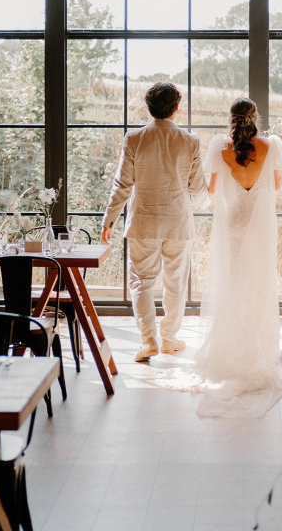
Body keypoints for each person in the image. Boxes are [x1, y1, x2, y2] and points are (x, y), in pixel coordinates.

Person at [160, 97, 282, 419]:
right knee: (257, 284)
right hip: (259, 227)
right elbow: (277, 185)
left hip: (233, 224)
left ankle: (232, 347)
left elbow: (213, 191)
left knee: (233, 287)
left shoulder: (220, 148)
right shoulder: (271, 146)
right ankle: (255, 349)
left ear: (231, 120)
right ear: (255, 118)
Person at [101, 82, 209, 362]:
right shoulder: (191, 141)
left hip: (144, 222)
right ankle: (169, 339)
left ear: (149, 109)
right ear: (176, 108)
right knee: (175, 283)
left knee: (141, 282)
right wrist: (207, 204)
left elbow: (122, 184)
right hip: (178, 223)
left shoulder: (134, 138)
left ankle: (148, 341)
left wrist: (109, 219)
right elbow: (198, 189)